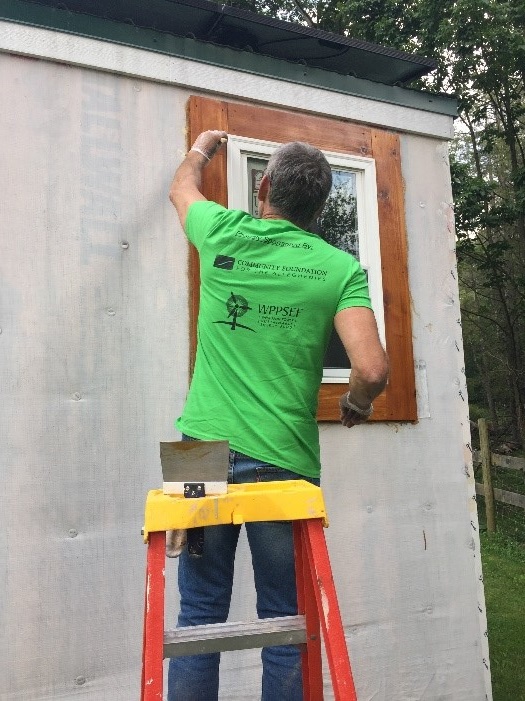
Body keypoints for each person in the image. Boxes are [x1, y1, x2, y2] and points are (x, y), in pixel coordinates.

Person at [167, 130, 388, 701]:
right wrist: (354, 406)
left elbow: (180, 189)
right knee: (285, 622)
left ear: (262, 188)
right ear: (319, 207)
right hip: (283, 458)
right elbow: (371, 368)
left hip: (197, 450)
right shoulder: (338, 269)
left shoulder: (221, 231)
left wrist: (202, 148)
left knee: (198, 616)